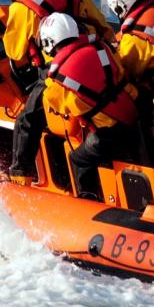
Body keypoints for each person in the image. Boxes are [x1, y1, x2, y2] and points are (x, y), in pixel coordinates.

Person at [1, 0, 112, 182]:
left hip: (58, 72)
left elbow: (14, 51)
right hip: (95, 58)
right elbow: (100, 22)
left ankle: (21, 175)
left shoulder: (22, 7)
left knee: (26, 120)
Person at [21, 13, 140, 199]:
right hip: (135, 111)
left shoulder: (57, 80)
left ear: (49, 43)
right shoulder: (102, 48)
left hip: (111, 132)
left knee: (77, 159)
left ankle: (89, 200)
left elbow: (61, 107)